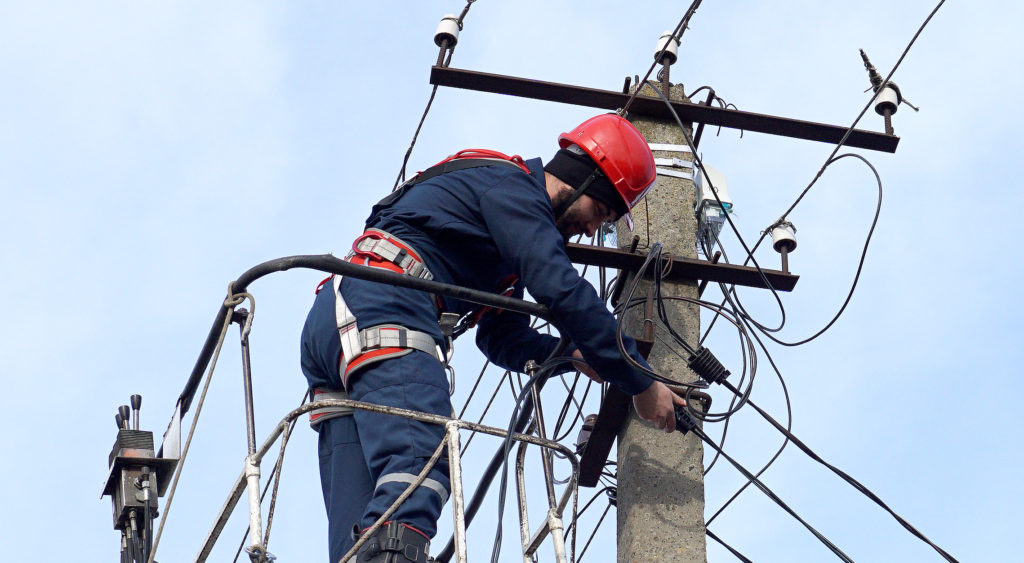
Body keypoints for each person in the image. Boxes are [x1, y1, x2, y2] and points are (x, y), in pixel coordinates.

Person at [300, 113, 687, 562]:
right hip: (384, 302)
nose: (589, 230)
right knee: (418, 461)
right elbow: (560, 287)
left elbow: (499, 338)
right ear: (581, 180)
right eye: (598, 212)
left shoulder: (500, 231)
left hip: (342, 318)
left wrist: (570, 353)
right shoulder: (512, 189)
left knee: (367, 507)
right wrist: (639, 380)